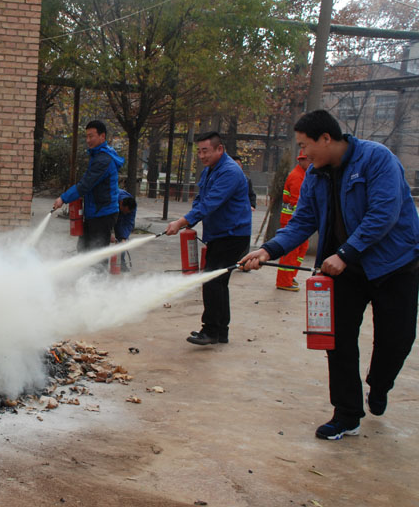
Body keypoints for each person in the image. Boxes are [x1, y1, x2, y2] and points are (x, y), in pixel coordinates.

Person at [240, 109, 419, 441]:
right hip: (343, 270)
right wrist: (268, 250)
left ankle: (380, 384)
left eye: (304, 145)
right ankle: (347, 414)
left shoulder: (377, 159)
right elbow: (302, 221)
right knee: (338, 341)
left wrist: (346, 253)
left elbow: (384, 213)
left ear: (326, 138)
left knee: (397, 339)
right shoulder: (315, 175)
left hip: (394, 265)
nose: (303, 153)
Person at [165, 132, 251, 345]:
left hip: (232, 235)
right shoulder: (210, 170)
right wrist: (190, 221)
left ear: (219, 149)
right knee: (219, 282)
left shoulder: (229, 172)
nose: (202, 156)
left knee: (212, 280)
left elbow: (211, 202)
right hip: (219, 235)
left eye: (206, 151)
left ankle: (211, 330)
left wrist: (181, 222)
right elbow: (200, 199)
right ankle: (221, 331)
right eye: (199, 152)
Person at [53, 120, 124, 263]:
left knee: (97, 256)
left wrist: (63, 198)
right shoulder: (98, 155)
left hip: (103, 214)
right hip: (95, 213)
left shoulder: (103, 160)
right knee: (84, 250)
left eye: (91, 136)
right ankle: (86, 276)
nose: (88, 140)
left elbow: (85, 185)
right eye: (86, 136)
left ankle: (97, 277)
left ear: (102, 136)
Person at [275, 152, 310, 291]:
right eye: (309, 160)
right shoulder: (297, 177)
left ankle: (290, 276)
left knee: (301, 249)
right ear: (302, 160)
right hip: (292, 222)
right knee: (291, 252)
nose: (312, 163)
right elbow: (298, 202)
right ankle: (284, 281)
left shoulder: (303, 174)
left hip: (296, 221)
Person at [114, 190, 137, 271]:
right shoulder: (113, 198)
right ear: (121, 203)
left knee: (121, 241)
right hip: (109, 215)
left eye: (128, 212)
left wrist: (124, 237)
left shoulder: (132, 206)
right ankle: (102, 263)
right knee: (104, 239)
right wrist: (109, 233)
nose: (126, 213)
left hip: (120, 219)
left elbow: (129, 222)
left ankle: (121, 264)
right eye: (124, 211)